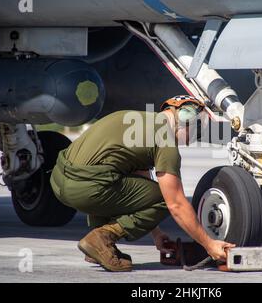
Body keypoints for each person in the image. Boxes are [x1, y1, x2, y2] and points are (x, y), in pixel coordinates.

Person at [50, 95, 235, 272]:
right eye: (198, 130)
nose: (194, 137)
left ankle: (97, 248)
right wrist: (209, 244)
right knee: (166, 198)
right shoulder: (166, 141)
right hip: (86, 187)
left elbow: (140, 189)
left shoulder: (138, 122)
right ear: (188, 121)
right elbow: (176, 204)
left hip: (59, 182)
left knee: (115, 179)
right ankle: (102, 238)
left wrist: (156, 233)